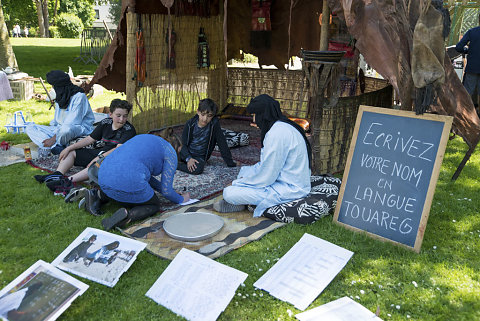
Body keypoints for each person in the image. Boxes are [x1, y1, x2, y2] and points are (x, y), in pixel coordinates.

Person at [213, 94, 312, 217]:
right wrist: (244, 178)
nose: (254, 120)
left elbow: (267, 176)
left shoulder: (276, 134)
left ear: (263, 115)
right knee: (244, 171)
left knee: (229, 192)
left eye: (254, 115)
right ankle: (245, 201)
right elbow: (268, 166)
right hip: (285, 178)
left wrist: (237, 184)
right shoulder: (282, 126)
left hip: (290, 188)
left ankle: (242, 202)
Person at [82, 129, 190, 231]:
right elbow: (167, 191)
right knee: (154, 204)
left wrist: (163, 189)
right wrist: (181, 199)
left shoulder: (146, 137)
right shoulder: (170, 152)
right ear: (178, 148)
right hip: (127, 177)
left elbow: (146, 177)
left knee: (118, 184)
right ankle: (127, 217)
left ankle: (97, 195)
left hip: (103, 174)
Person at [34, 99, 136, 196]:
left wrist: (98, 159)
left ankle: (67, 181)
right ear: (110, 114)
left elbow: (118, 150)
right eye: (118, 116)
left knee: (96, 165)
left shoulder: (129, 130)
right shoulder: (105, 123)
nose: (122, 119)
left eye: (125, 116)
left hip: (113, 159)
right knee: (71, 152)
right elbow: (90, 139)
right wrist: (69, 148)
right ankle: (57, 174)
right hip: (99, 152)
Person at [26, 70, 95, 155]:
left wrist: (53, 138)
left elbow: (72, 122)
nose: (53, 88)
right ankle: (53, 146)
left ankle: (54, 146)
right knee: (30, 127)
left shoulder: (79, 96)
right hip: (59, 129)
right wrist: (52, 133)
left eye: (54, 86)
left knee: (65, 130)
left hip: (78, 129)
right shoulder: (61, 95)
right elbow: (56, 121)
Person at [178, 98, 236, 175]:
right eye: (203, 114)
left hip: (200, 157)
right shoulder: (190, 124)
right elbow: (184, 144)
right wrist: (188, 158)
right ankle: (181, 162)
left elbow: (222, 144)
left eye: (209, 116)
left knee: (198, 169)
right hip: (187, 153)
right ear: (198, 112)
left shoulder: (214, 124)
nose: (205, 119)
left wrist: (230, 163)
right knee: (178, 149)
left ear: (213, 116)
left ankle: (175, 165)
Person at [456, 13, 480, 113]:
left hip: (472, 68)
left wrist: (467, 50)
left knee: (467, 92)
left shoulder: (472, 32)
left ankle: (465, 114)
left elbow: (458, 47)